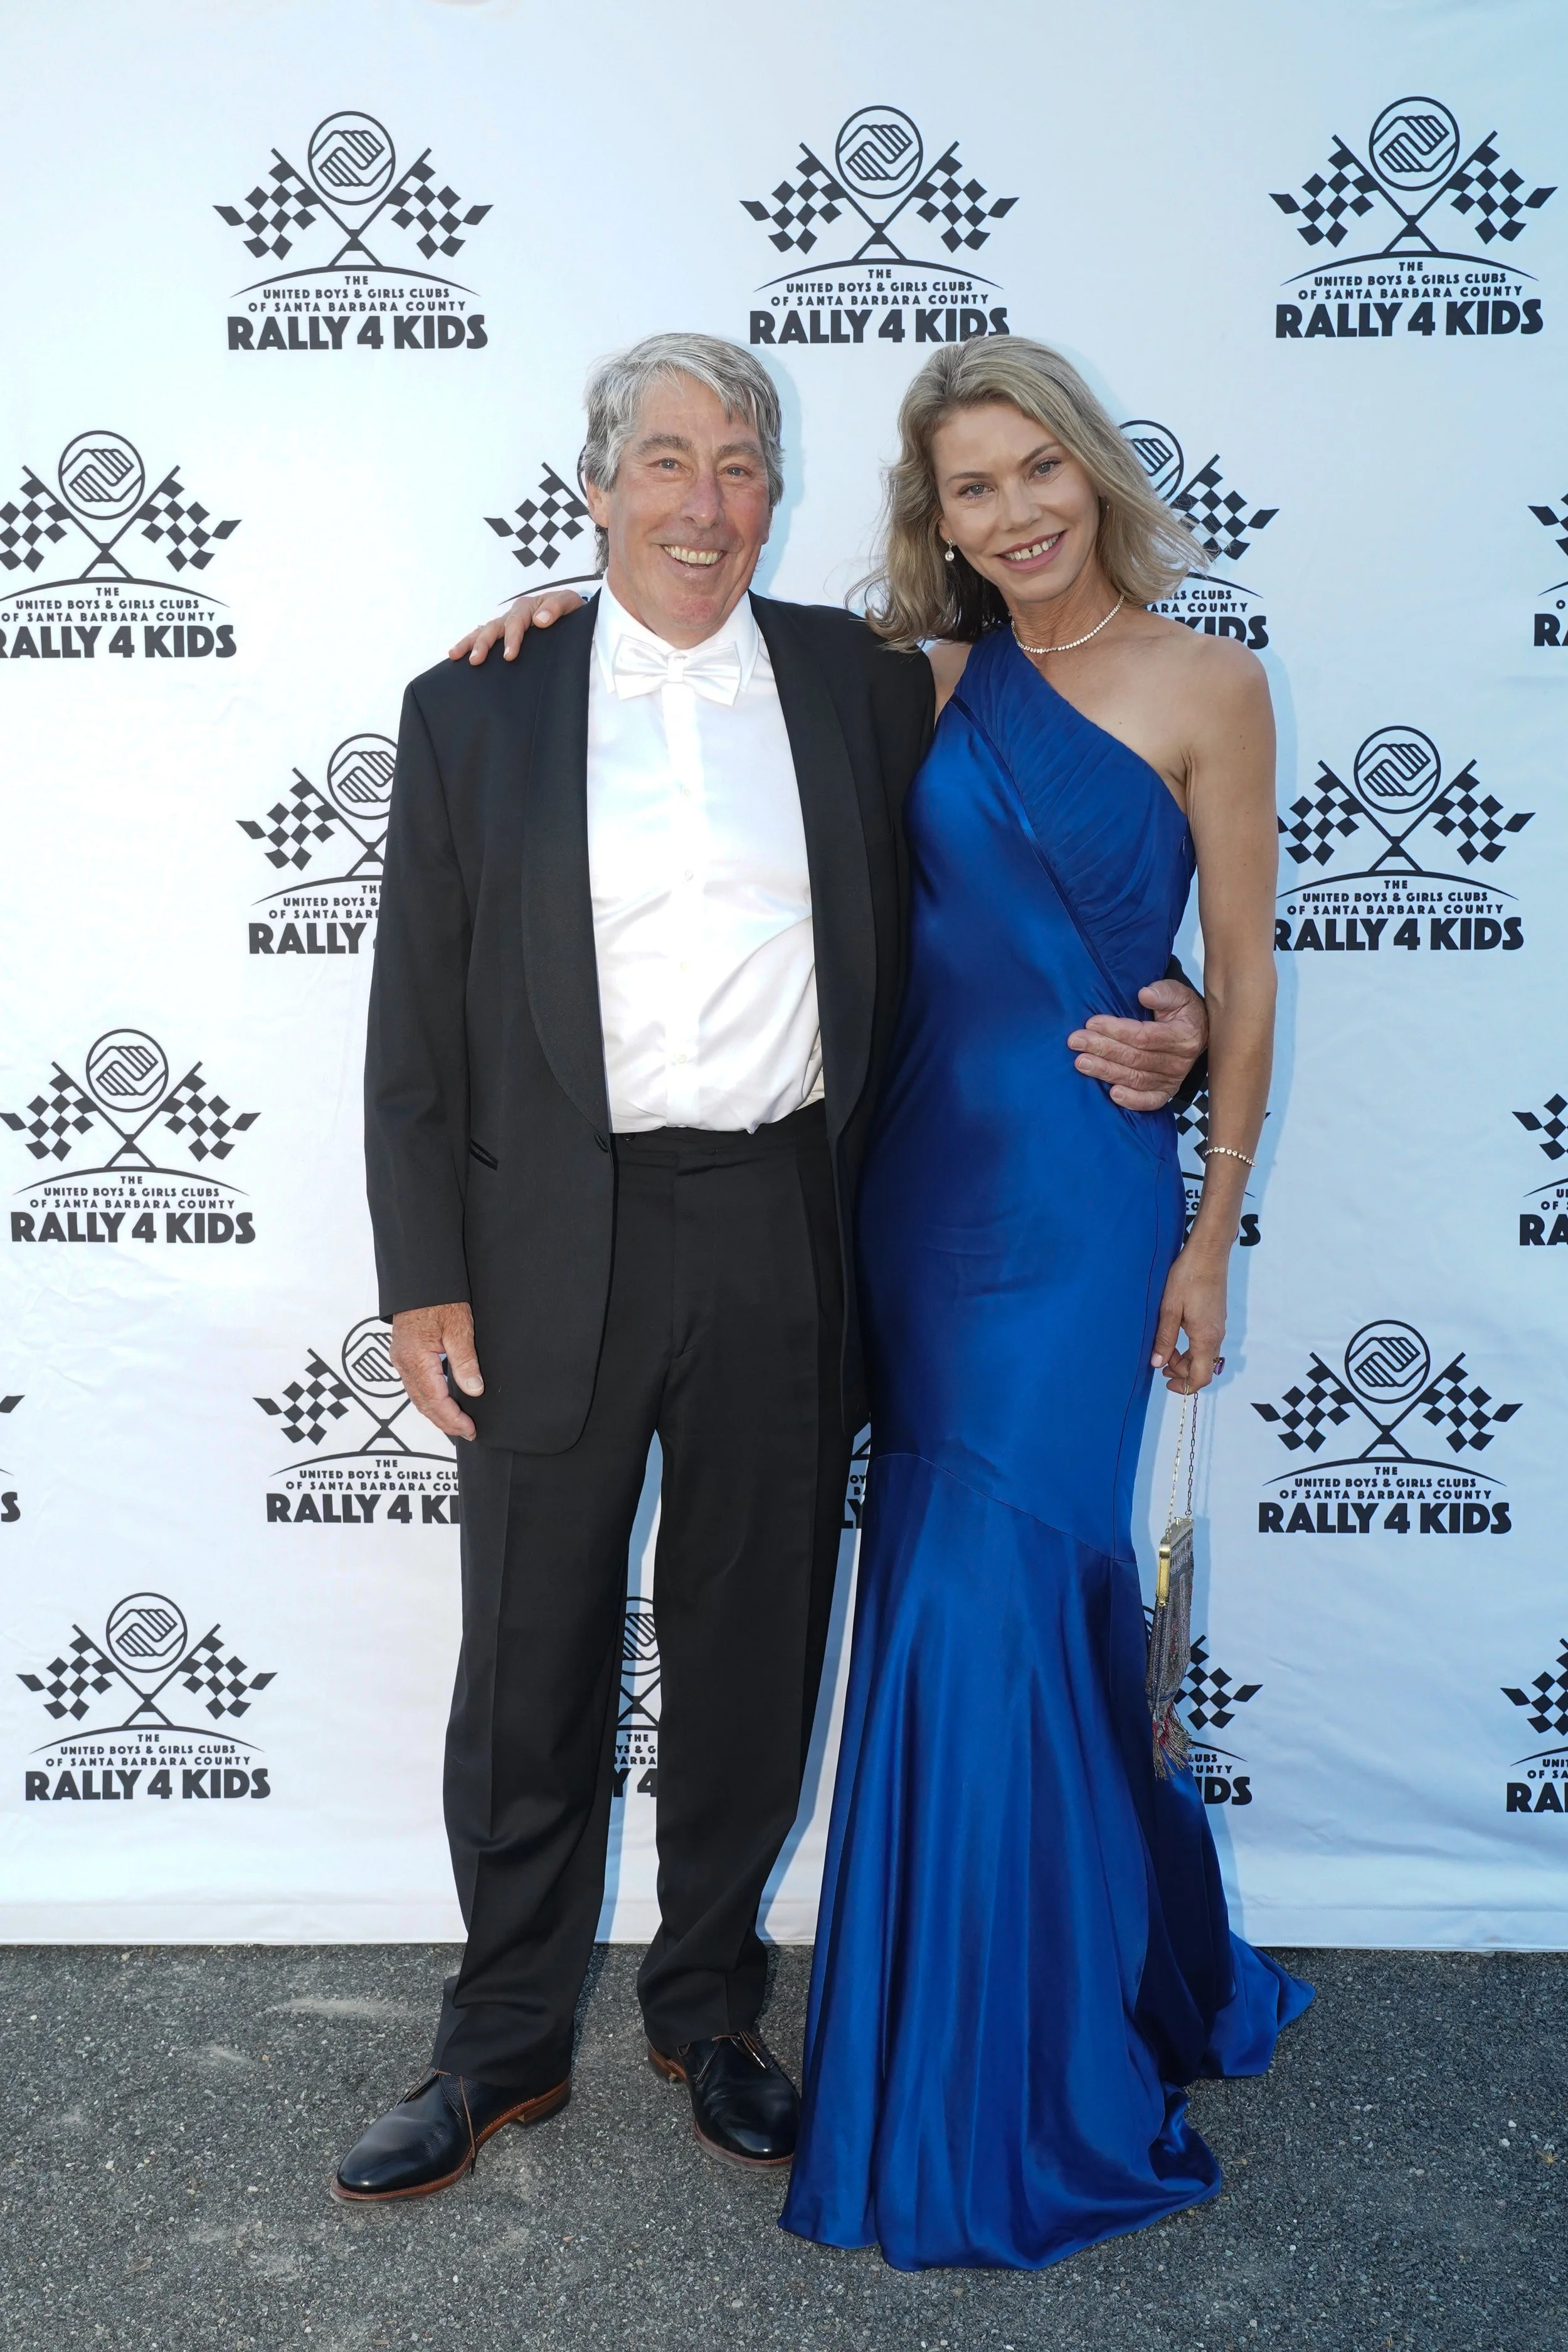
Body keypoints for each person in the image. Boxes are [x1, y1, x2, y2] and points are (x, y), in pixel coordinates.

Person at [335, 333, 1207, 2205]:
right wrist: (422, 1274)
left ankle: (711, 2012)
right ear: (595, 489)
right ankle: (493, 2049)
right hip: (550, 1238)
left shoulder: (861, 681)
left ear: (776, 491)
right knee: (529, 1663)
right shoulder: (476, 704)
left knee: (748, 1654)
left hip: (787, 1233)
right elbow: (411, 1017)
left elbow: (1060, 854)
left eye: (738, 463)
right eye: (663, 461)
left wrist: (1184, 1011)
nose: (702, 500)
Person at [779, 341, 1311, 2269]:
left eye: (1033, 472)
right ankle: (1091, 1971)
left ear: (1088, 470)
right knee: (955, 1580)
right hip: (916, 1198)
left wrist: (1206, 1224)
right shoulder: (913, 684)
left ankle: (1008, 2067)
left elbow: (1239, 972)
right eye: (968, 493)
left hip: (1089, 1212)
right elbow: (690, 675)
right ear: (937, 523)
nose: (1011, 514)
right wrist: (545, 613)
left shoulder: (1205, 681)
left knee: (996, 1589)